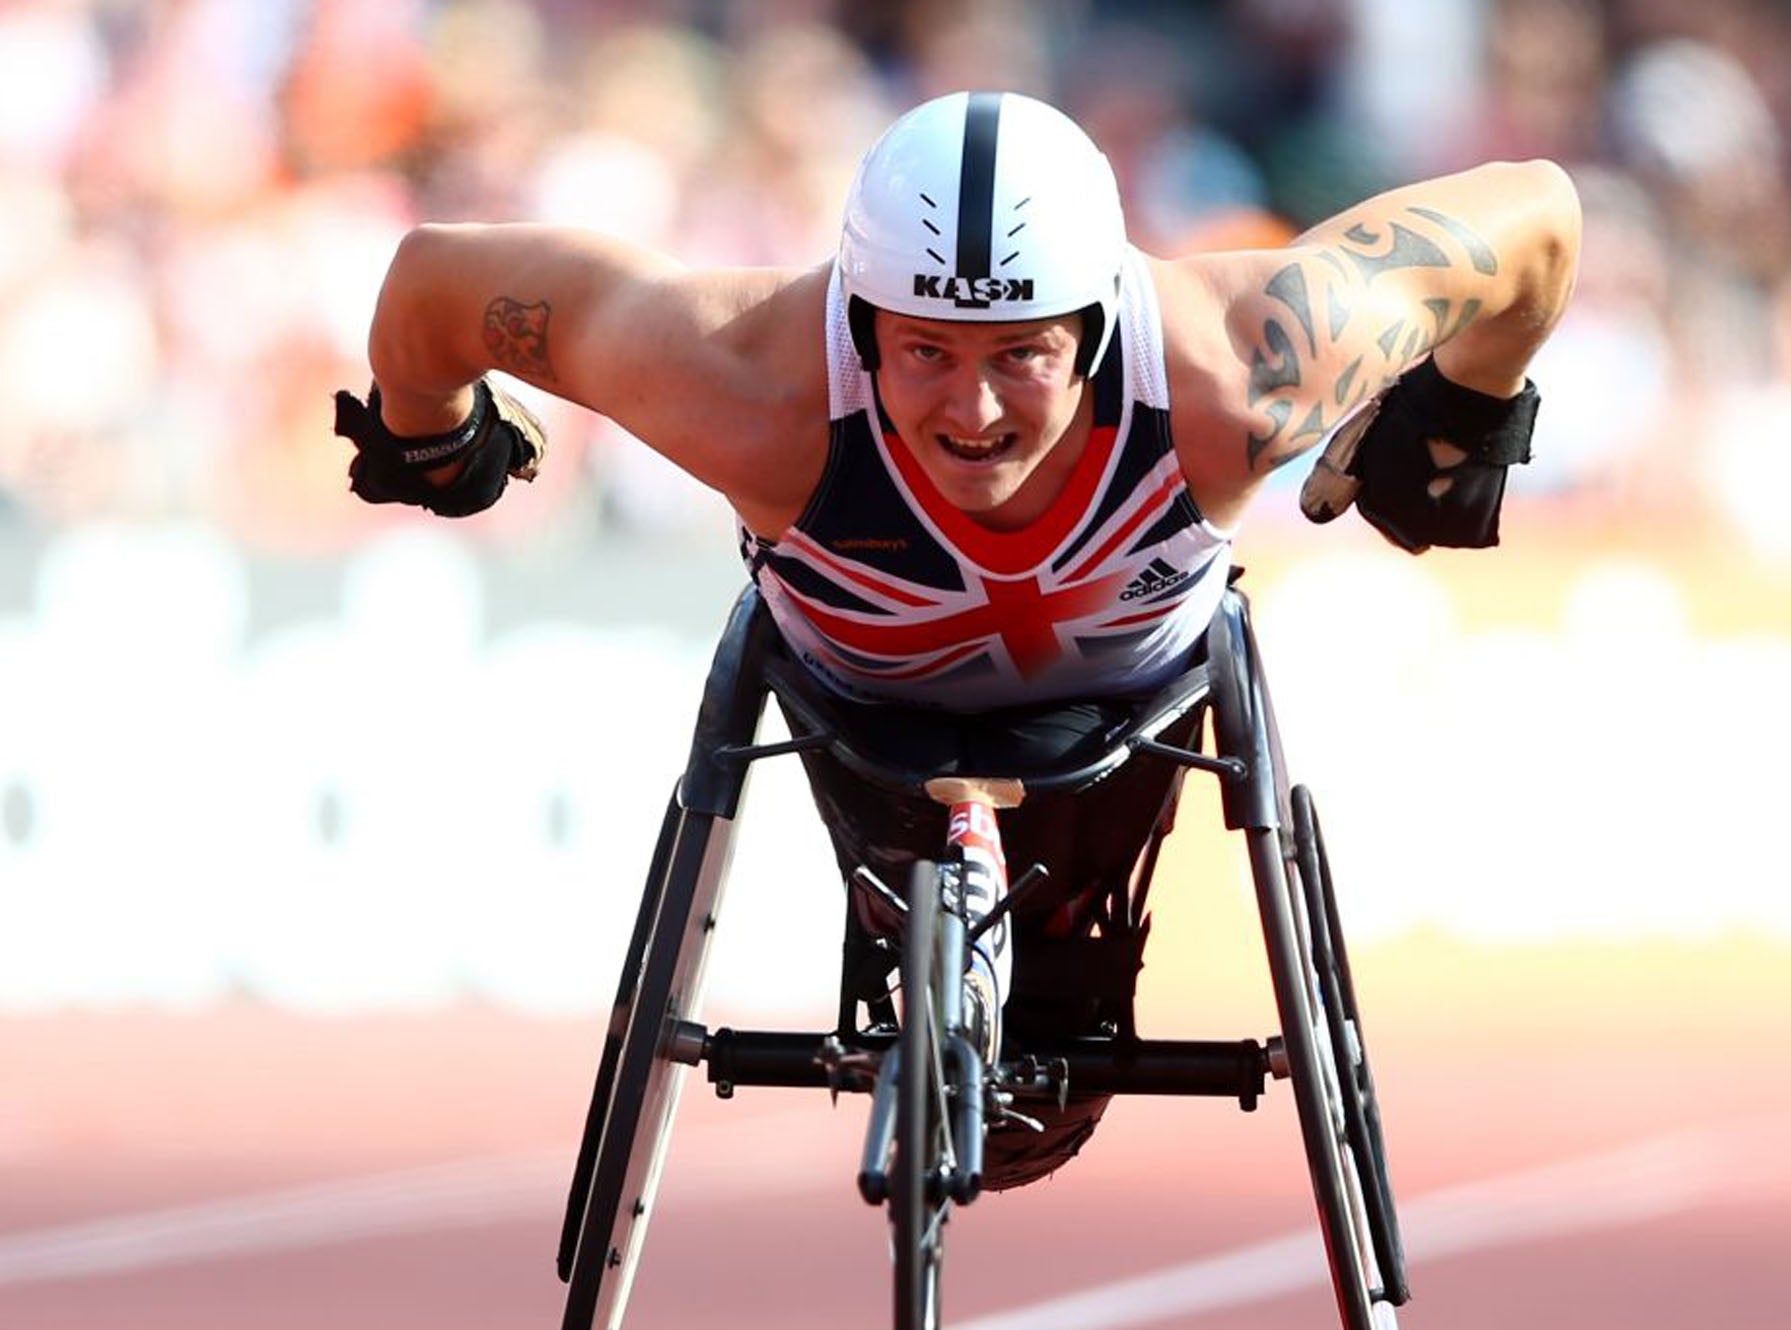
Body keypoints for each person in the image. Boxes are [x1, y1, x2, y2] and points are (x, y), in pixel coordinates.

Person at [338, 90, 1580, 1185]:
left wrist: (1467, 408)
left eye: (1023, 355)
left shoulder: (1240, 369)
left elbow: (1536, 210)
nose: (973, 410)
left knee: (1068, 978)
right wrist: (429, 435)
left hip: (1123, 722)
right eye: (925, 351)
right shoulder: (745, 383)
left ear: (1095, 330)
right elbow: (434, 279)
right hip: (859, 715)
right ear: (861, 325)